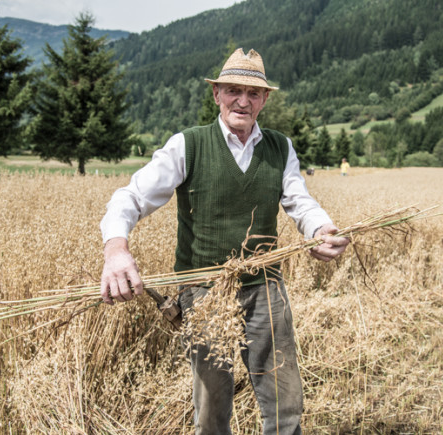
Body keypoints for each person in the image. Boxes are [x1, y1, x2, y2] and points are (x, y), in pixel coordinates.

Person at [99, 48, 349, 434]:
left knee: (285, 400)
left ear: (265, 99)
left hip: (265, 288)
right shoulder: (189, 145)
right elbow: (129, 197)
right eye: (233, 90)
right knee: (212, 406)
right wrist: (116, 249)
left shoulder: (280, 148)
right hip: (203, 293)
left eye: (253, 93)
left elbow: (301, 202)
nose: (243, 101)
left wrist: (320, 230)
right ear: (216, 94)